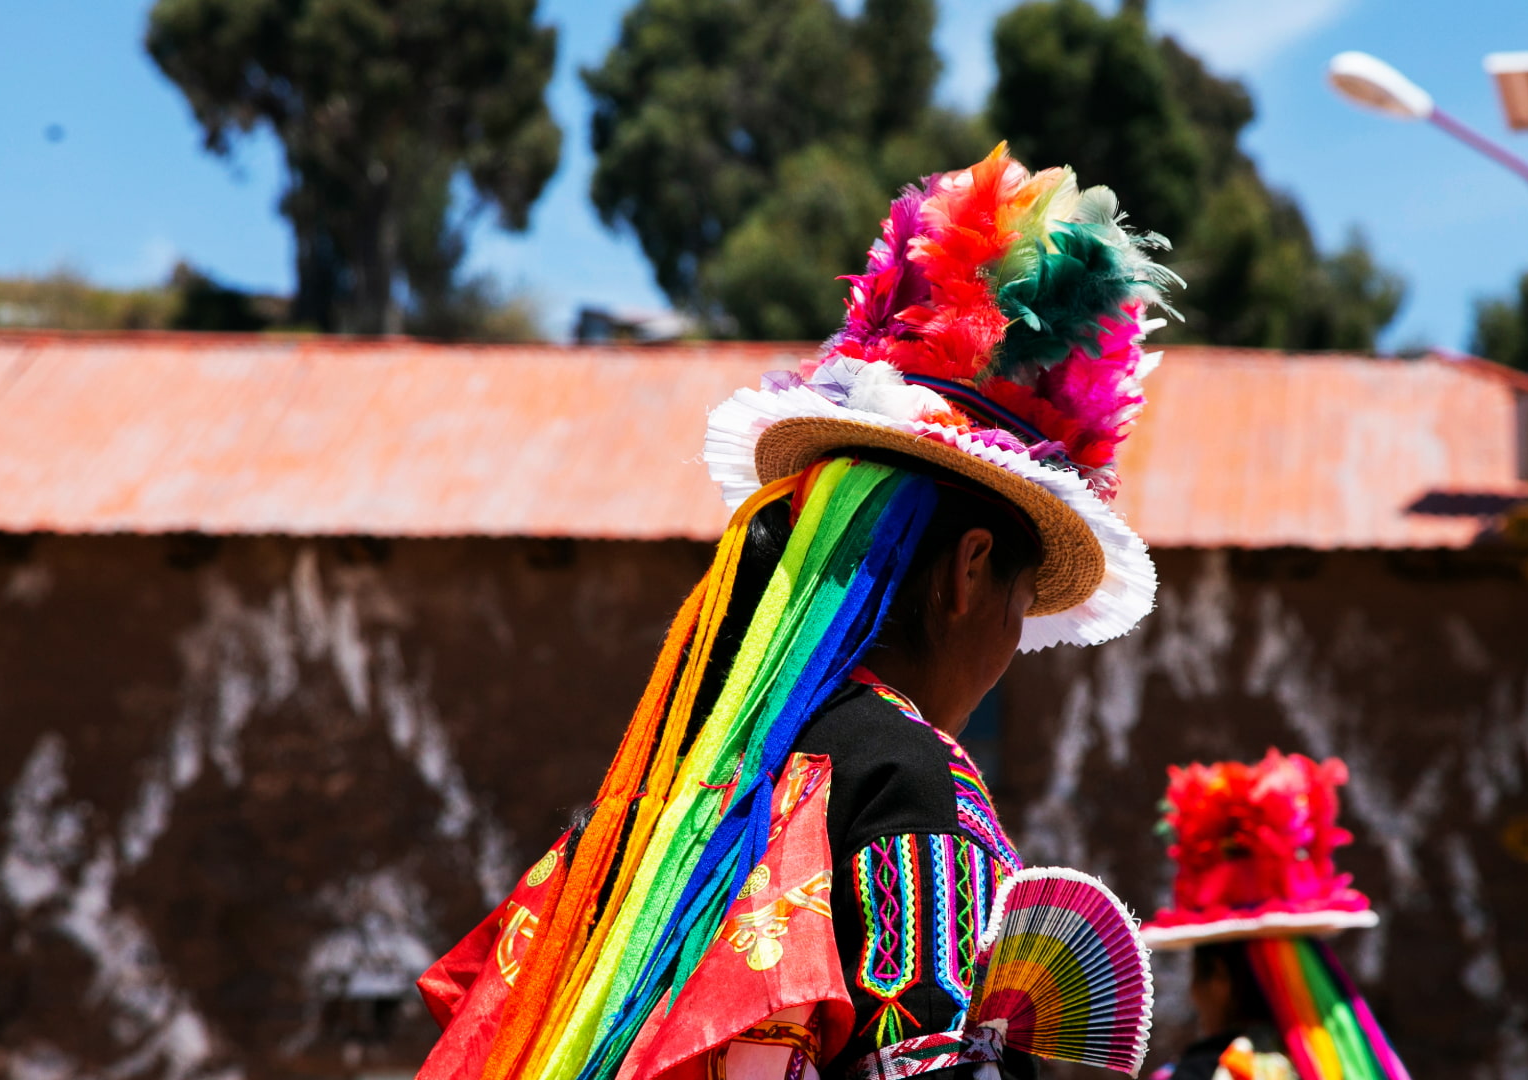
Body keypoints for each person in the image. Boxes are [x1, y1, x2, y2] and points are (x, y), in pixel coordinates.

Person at [413, 143, 1178, 1080]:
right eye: (1022, 603)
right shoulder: (912, 782)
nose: (1013, 647)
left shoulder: (674, 790)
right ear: (970, 571)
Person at [1141, 751, 1410, 1080]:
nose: (1194, 995)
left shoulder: (1204, 1072)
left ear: (1221, 977)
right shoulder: (1349, 1067)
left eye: (1197, 975)